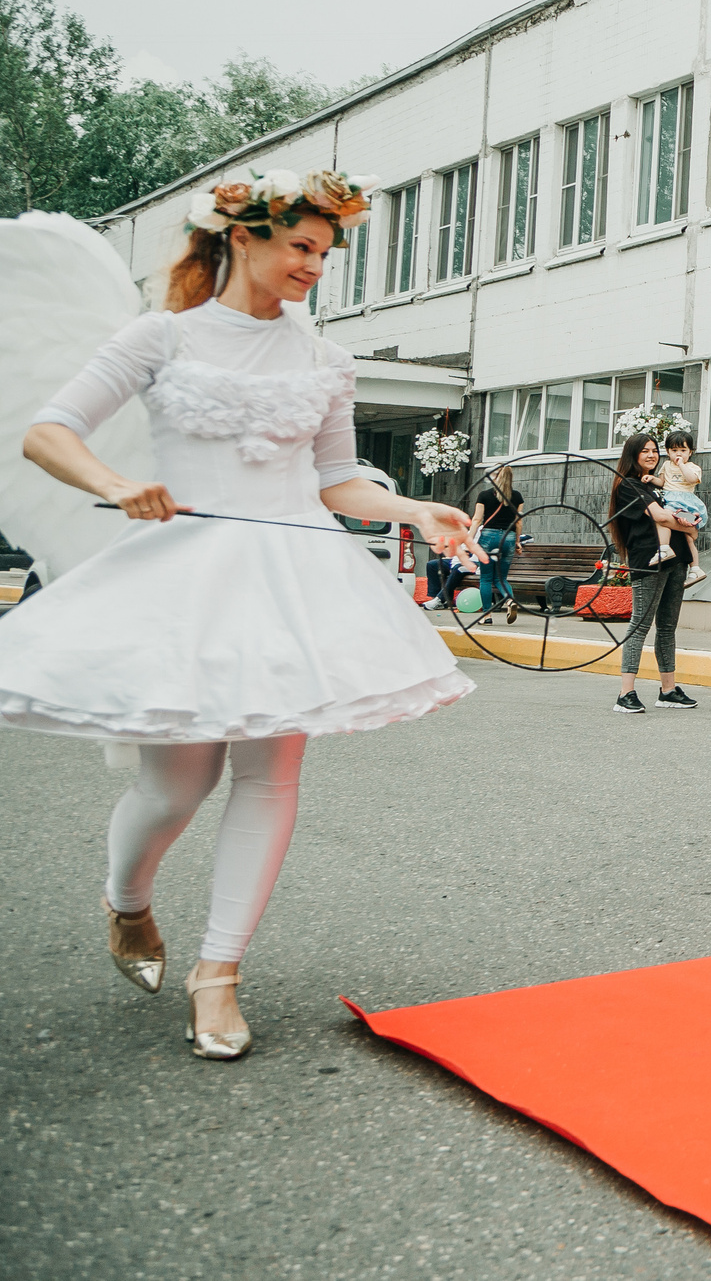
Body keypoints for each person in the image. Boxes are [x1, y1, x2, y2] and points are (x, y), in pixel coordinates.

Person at [2, 169, 479, 1060]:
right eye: (300, 246)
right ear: (242, 238)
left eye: (325, 253)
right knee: (175, 786)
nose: (313, 266)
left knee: (270, 775)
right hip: (184, 578)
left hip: (293, 575)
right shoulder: (162, 337)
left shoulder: (324, 359)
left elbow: (334, 479)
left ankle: (217, 973)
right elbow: (48, 431)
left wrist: (412, 509)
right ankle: (127, 897)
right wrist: (116, 483)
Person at [609, 434, 699, 714]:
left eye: (654, 450)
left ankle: (668, 690)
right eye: (644, 451)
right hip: (649, 560)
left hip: (677, 559)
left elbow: (680, 516)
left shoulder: (661, 483)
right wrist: (689, 528)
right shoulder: (629, 485)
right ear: (632, 455)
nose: (651, 455)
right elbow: (661, 517)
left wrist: (689, 529)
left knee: (668, 627)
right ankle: (625, 693)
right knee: (640, 625)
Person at [653, 429, 710, 589]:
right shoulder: (666, 465)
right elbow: (662, 483)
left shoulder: (693, 467)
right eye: (674, 450)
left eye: (683, 450)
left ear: (690, 452)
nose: (679, 453)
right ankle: (695, 569)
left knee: (664, 519)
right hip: (671, 500)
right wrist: (653, 479)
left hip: (687, 505)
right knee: (686, 537)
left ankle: (664, 548)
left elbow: (692, 479)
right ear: (668, 452)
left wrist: (681, 465)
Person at [467, 463, 523, 621]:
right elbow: (518, 523)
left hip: (489, 539)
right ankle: (510, 600)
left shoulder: (484, 495)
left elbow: (477, 520)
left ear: (495, 476)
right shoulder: (517, 496)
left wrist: (469, 541)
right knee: (501, 578)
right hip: (509, 538)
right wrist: (517, 541)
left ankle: (487, 616)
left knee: (485, 578)